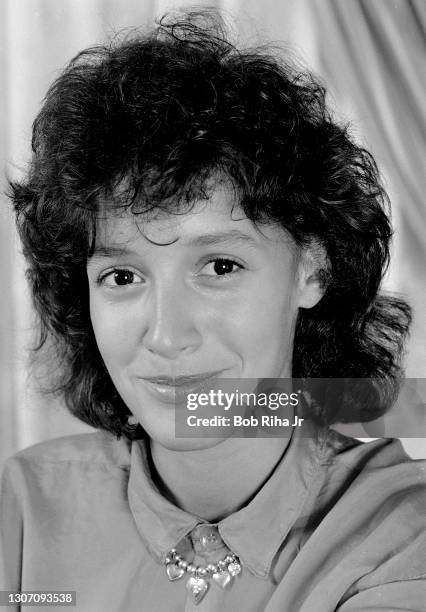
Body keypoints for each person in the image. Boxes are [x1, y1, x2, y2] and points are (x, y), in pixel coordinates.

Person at [1, 9, 424, 612]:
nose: (168, 336)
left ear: (314, 269)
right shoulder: (22, 508)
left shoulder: (400, 535)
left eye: (220, 267)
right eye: (121, 276)